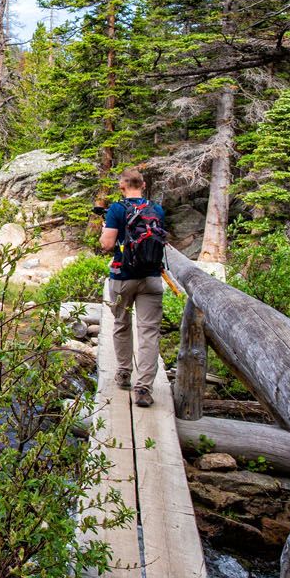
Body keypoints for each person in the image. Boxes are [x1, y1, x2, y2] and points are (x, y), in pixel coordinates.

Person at [99, 169, 166, 408]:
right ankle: (144, 389)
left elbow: (107, 244)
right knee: (148, 332)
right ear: (144, 185)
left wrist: (104, 230)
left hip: (122, 276)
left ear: (122, 187)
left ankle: (124, 373)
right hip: (151, 278)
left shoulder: (117, 209)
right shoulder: (156, 210)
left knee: (121, 325)